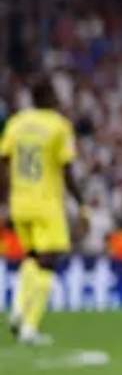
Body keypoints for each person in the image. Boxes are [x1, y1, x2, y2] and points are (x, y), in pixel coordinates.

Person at [3, 77, 81, 347]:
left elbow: (4, 161)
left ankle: (17, 308)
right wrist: (81, 203)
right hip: (46, 203)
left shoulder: (16, 123)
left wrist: (6, 197)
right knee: (48, 262)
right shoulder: (59, 126)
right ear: (50, 96)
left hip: (19, 201)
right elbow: (67, 170)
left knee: (32, 256)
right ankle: (29, 325)